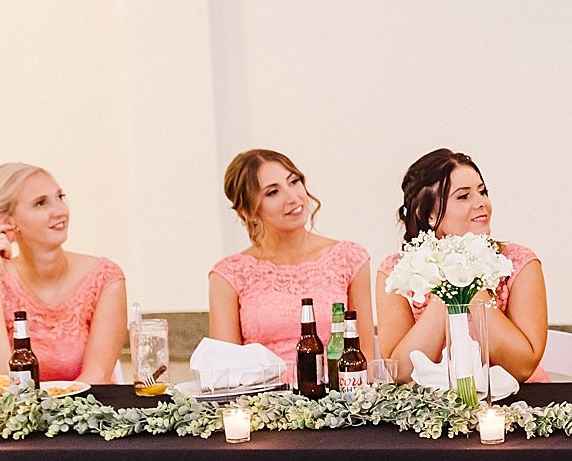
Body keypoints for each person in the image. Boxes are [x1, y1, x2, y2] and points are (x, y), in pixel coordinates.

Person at [377, 149, 549, 382]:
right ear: (429, 214)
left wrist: (472, 279)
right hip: (432, 403)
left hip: (516, 399)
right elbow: (402, 373)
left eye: (482, 192)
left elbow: (522, 367)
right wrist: (447, 281)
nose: (481, 203)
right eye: (463, 196)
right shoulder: (396, 273)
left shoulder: (519, 263)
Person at [209, 149, 373, 369]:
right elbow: (224, 371)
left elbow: (366, 359)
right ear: (246, 211)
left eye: (294, 182)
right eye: (272, 192)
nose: (293, 198)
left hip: (338, 389)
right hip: (262, 391)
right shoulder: (228, 275)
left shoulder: (349, 258)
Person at [0, 163, 127, 383]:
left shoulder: (106, 278)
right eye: (40, 203)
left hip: (90, 403)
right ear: (8, 223)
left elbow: (96, 376)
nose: (60, 211)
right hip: (15, 405)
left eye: (60, 197)